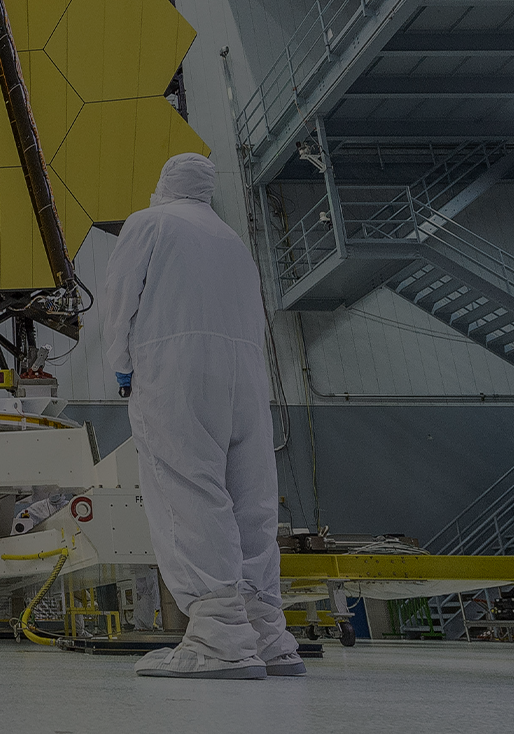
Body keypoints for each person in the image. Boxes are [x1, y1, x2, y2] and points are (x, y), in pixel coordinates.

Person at [97, 153, 301, 680]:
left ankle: (218, 637)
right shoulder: (231, 239)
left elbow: (119, 301)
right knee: (248, 498)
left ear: (164, 183)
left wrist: (121, 365)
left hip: (177, 368)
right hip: (245, 376)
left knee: (186, 489)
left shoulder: (151, 223)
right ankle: (266, 633)